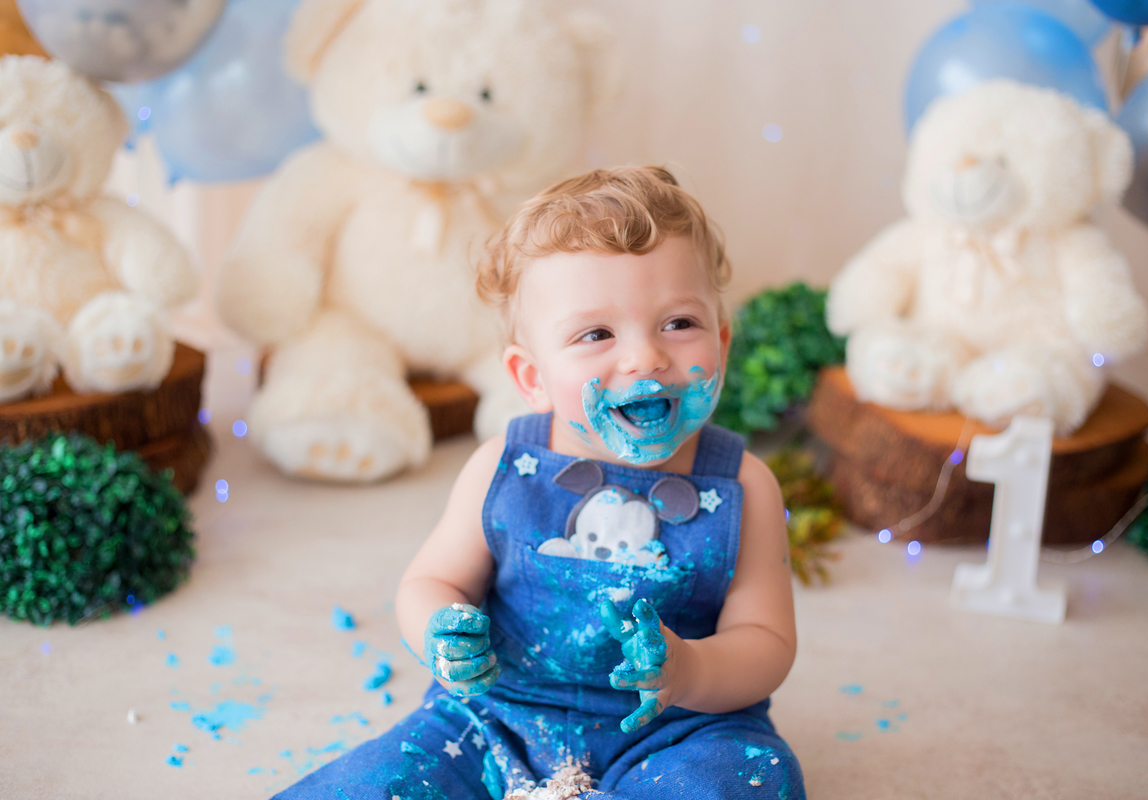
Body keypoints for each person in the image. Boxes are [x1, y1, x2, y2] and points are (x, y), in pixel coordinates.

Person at [275, 166, 805, 799]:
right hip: (496, 720)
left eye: (679, 323)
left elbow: (766, 643)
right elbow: (430, 581)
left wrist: (690, 670)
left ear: (720, 339)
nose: (644, 357)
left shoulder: (743, 484)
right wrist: (443, 630)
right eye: (597, 334)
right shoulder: (505, 464)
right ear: (530, 378)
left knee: (747, 781)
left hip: (677, 729)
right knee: (377, 783)